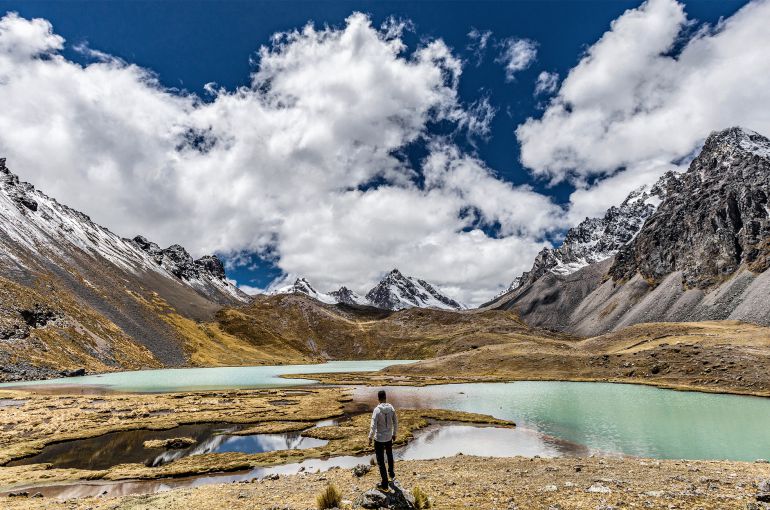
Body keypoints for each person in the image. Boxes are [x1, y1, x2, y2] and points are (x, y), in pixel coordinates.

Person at [368, 389, 398, 491]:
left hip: (379, 439)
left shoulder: (377, 410)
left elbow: (373, 425)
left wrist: (370, 437)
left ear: (378, 398)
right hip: (389, 437)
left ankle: (384, 484)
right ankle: (391, 474)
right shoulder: (391, 408)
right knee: (389, 455)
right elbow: (395, 422)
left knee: (380, 461)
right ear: (385, 397)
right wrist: (394, 434)